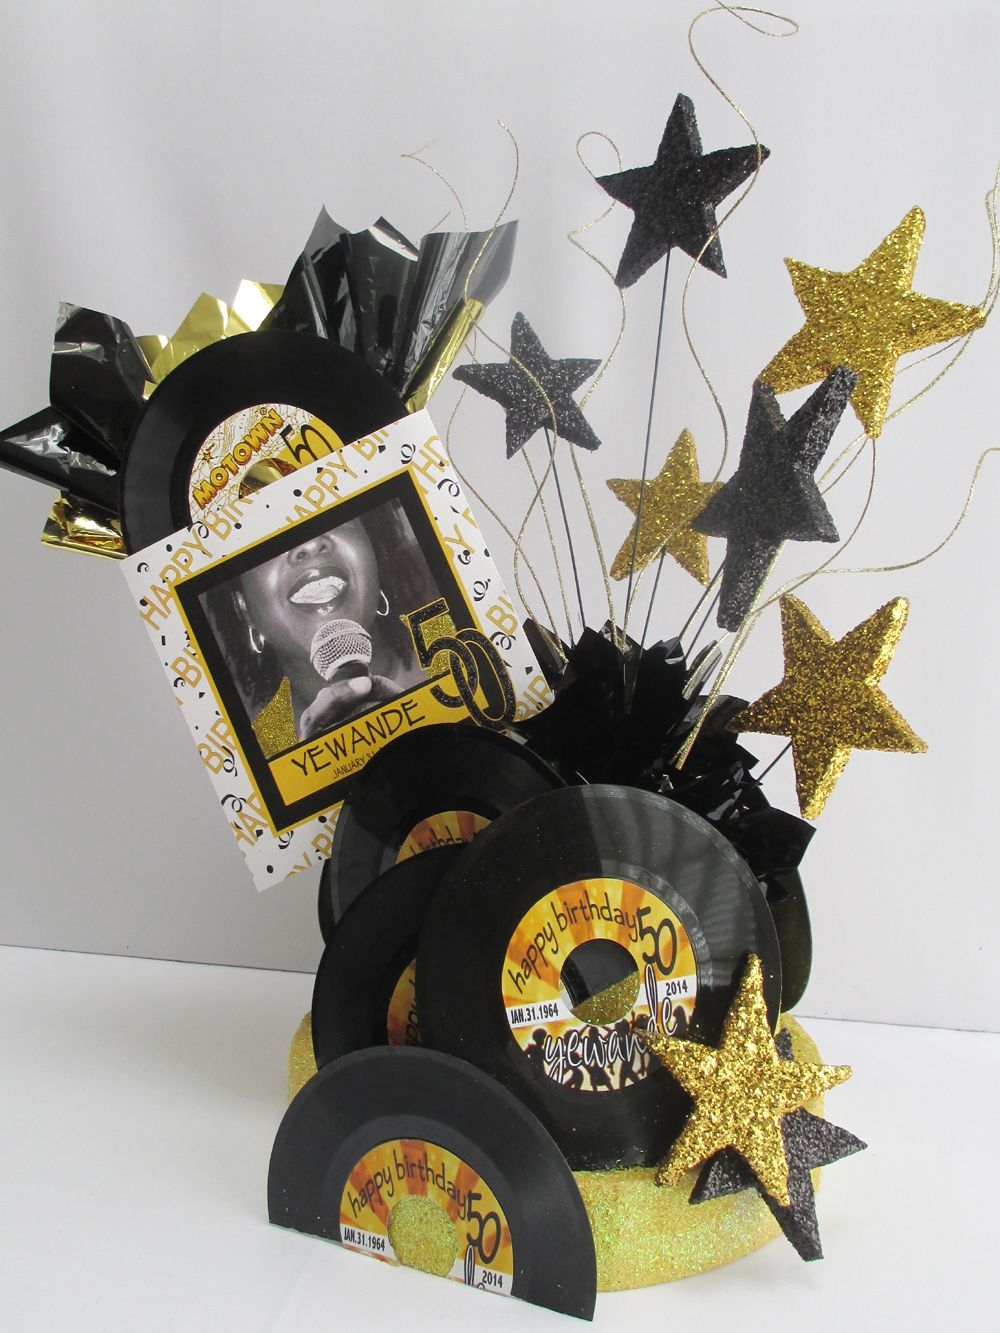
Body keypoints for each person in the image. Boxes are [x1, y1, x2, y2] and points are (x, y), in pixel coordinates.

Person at [202, 501, 435, 757]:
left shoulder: (460, 643)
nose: (309, 544)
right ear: (243, 608)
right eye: (265, 539)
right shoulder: (258, 757)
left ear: (373, 553)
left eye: (329, 513)